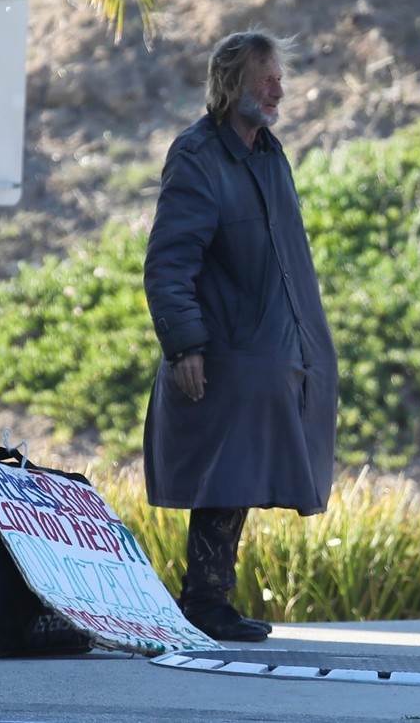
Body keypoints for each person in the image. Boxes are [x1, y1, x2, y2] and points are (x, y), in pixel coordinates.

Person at [143, 31, 338, 642]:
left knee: (241, 475)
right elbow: (169, 262)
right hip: (224, 351)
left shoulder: (268, 153)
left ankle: (209, 598)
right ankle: (203, 602)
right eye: (265, 78)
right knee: (226, 474)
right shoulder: (198, 156)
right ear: (231, 85)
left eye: (279, 76)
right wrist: (185, 345)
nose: (278, 89)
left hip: (271, 352)